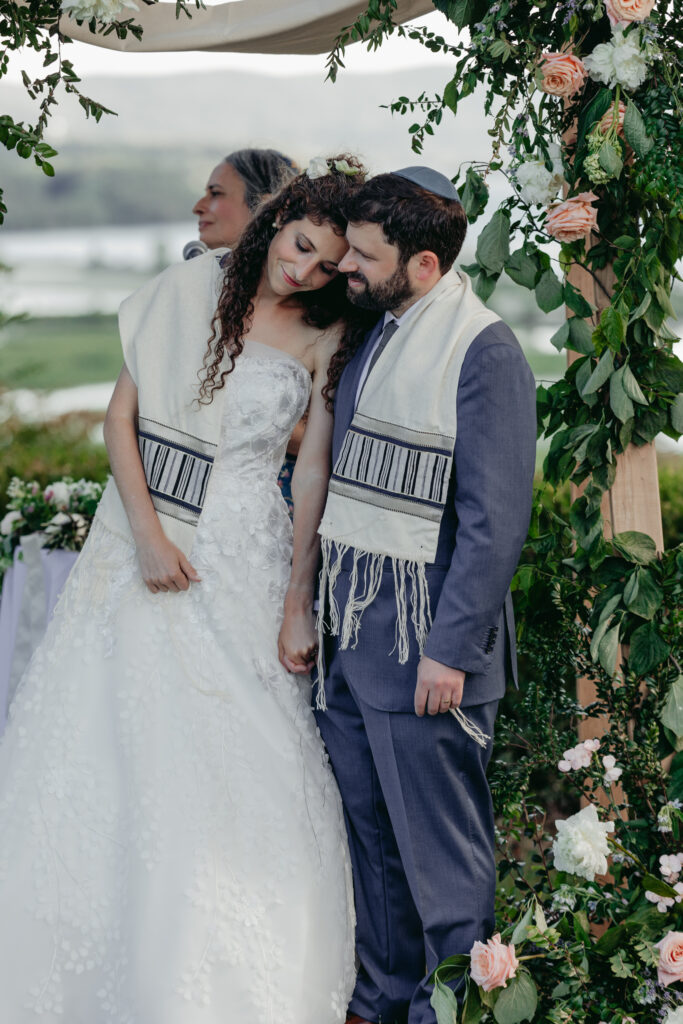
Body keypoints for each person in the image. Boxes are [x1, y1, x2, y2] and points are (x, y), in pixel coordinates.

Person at [0, 157, 371, 1023]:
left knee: (249, 745)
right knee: (109, 734)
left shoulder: (323, 334)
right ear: (279, 223)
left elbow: (309, 468)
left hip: (246, 551)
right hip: (144, 540)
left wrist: (295, 601)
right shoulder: (189, 290)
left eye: (323, 265)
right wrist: (149, 536)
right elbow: (118, 419)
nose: (303, 271)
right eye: (299, 246)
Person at [310, 167, 537, 1024]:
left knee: (441, 867)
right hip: (353, 648)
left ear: (426, 264)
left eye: (366, 256)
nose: (347, 268)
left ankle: (455, 1011)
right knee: (372, 848)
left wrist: (448, 648)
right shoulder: (378, 330)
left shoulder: (483, 351)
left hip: (424, 657)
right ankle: (383, 1001)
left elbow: (495, 520)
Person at [192, 147, 303, 513]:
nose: (199, 205)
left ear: (265, 207)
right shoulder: (194, 287)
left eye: (216, 193)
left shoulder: (311, 313)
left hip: (274, 507)